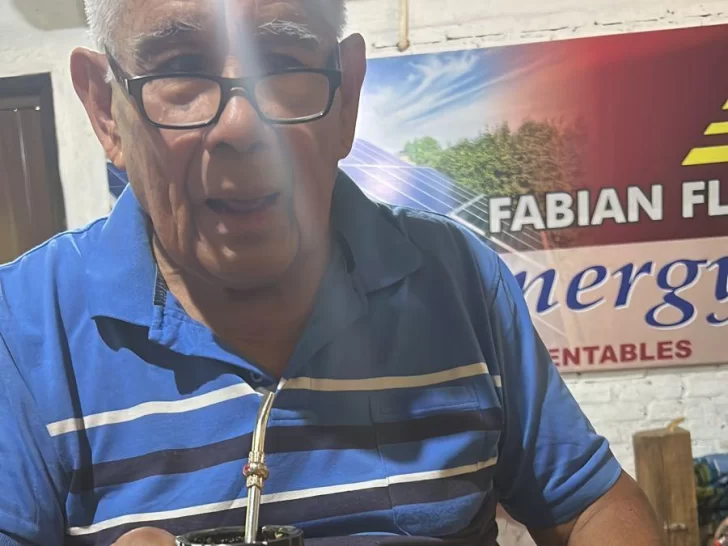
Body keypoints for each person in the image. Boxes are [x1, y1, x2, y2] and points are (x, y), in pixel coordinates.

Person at [0, 0, 664, 545]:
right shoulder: (22, 331)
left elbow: (593, 505)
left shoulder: (459, 280)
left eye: (284, 63)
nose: (242, 125)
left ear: (346, 96)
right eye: (179, 68)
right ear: (105, 109)